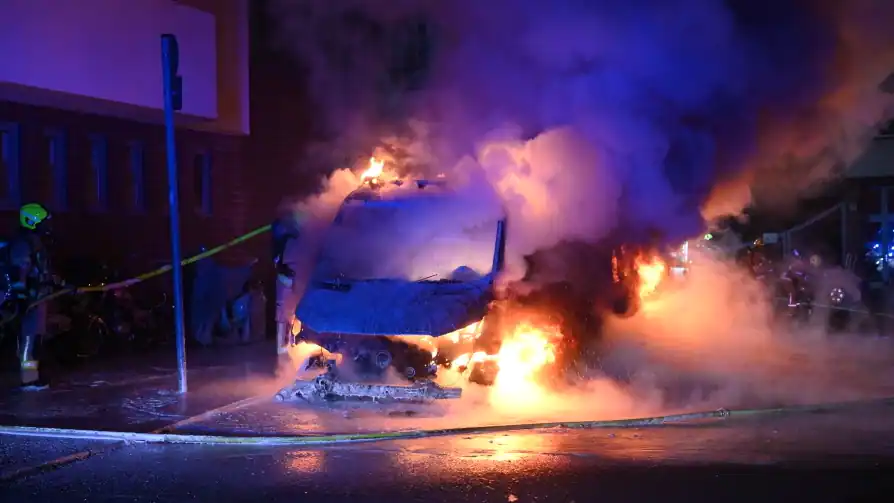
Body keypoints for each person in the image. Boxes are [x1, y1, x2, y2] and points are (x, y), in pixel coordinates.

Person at [10, 203, 54, 391]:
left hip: (39, 297)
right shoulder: (23, 243)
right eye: (43, 222)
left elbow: (41, 268)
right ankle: (28, 380)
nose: (47, 226)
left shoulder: (33, 241)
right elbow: (22, 269)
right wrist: (22, 293)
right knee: (29, 339)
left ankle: (33, 377)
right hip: (31, 299)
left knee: (35, 338)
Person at [272, 211, 303, 355]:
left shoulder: (290, 240)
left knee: (291, 314)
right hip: (286, 279)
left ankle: (289, 344)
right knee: (285, 315)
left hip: (290, 279)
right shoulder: (286, 240)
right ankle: (284, 347)